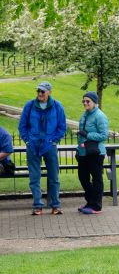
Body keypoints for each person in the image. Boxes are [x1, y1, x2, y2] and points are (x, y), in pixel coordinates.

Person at [19, 81, 67, 216]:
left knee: (54, 177)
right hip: (33, 146)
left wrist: (54, 140)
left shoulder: (57, 107)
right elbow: (22, 125)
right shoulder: (29, 106)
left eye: (42, 91)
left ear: (49, 92)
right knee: (34, 177)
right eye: (38, 91)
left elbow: (62, 126)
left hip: (49, 146)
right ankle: (37, 206)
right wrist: (27, 140)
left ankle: (55, 206)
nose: (40, 94)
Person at [76, 92, 110, 214]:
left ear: (94, 102)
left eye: (88, 101)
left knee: (97, 179)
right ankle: (90, 201)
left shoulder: (100, 116)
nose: (85, 103)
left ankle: (96, 206)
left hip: (95, 153)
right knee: (83, 178)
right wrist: (78, 149)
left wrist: (88, 135)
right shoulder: (85, 115)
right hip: (83, 153)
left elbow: (104, 135)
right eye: (83, 101)